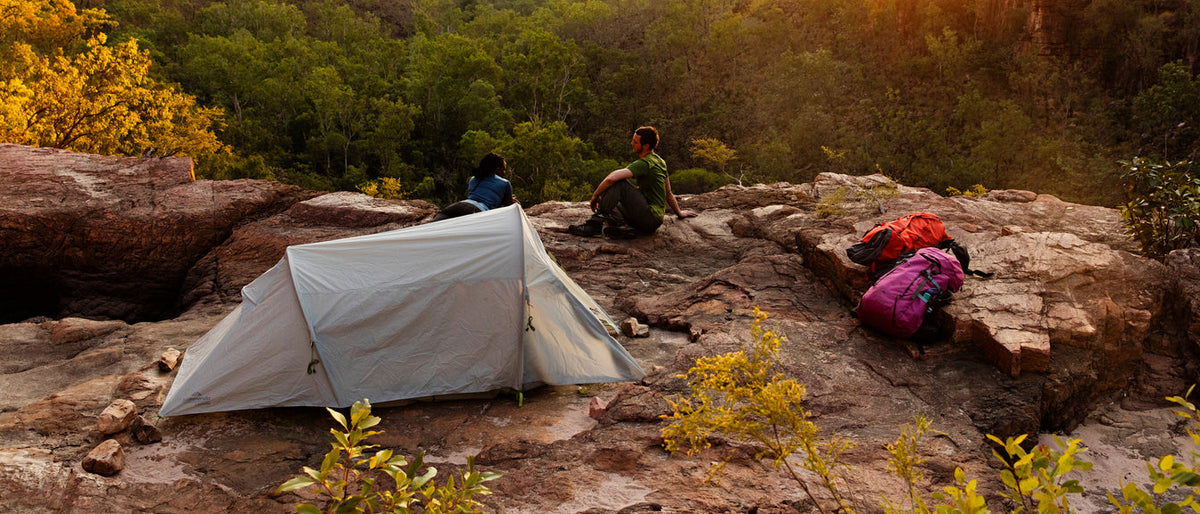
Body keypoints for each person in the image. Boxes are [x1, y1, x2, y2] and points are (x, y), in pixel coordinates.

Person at [568, 126, 697, 238]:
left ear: (646, 146)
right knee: (610, 202)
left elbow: (611, 178)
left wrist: (595, 195)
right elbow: (668, 193)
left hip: (649, 217)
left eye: (635, 142)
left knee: (619, 184)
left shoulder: (645, 163)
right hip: (653, 219)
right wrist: (679, 213)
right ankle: (624, 228)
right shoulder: (660, 161)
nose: (631, 143)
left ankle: (595, 226)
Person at [432, 153, 517, 222]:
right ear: (497, 169)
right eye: (503, 169)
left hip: (458, 205)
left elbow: (476, 196)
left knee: (432, 226)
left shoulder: (474, 179)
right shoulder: (505, 183)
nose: (504, 173)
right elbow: (509, 207)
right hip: (477, 211)